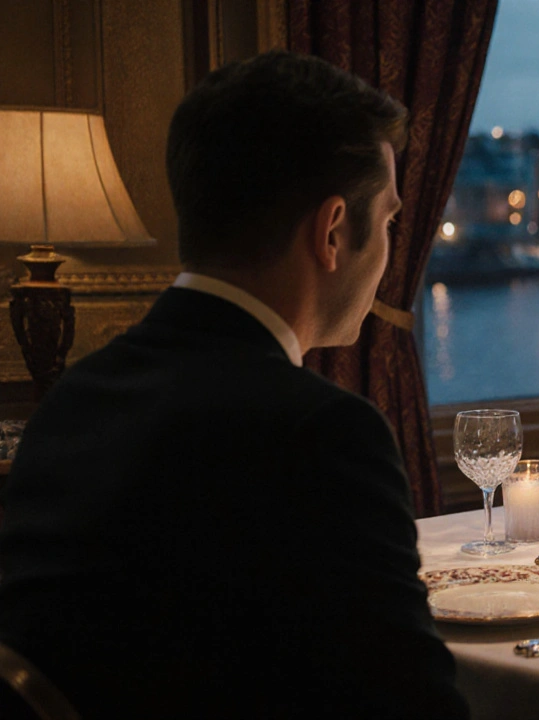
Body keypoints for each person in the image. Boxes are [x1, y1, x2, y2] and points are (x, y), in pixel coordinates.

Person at [0, 52, 469, 718]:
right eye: (389, 221)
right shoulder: (321, 435)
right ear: (333, 231)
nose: (391, 248)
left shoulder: (76, 398)